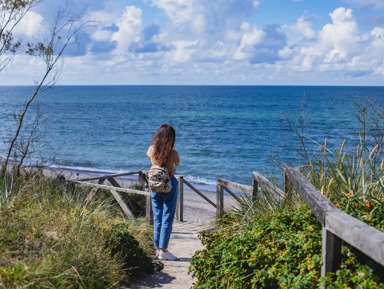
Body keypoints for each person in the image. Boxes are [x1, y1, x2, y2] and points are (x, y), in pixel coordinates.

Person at [147, 124, 180, 261]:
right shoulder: (172, 153)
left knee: (157, 217)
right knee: (167, 217)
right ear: (171, 138)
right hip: (169, 185)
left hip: (154, 185)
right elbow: (177, 163)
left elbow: (151, 158)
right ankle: (163, 250)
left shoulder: (151, 149)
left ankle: (157, 249)